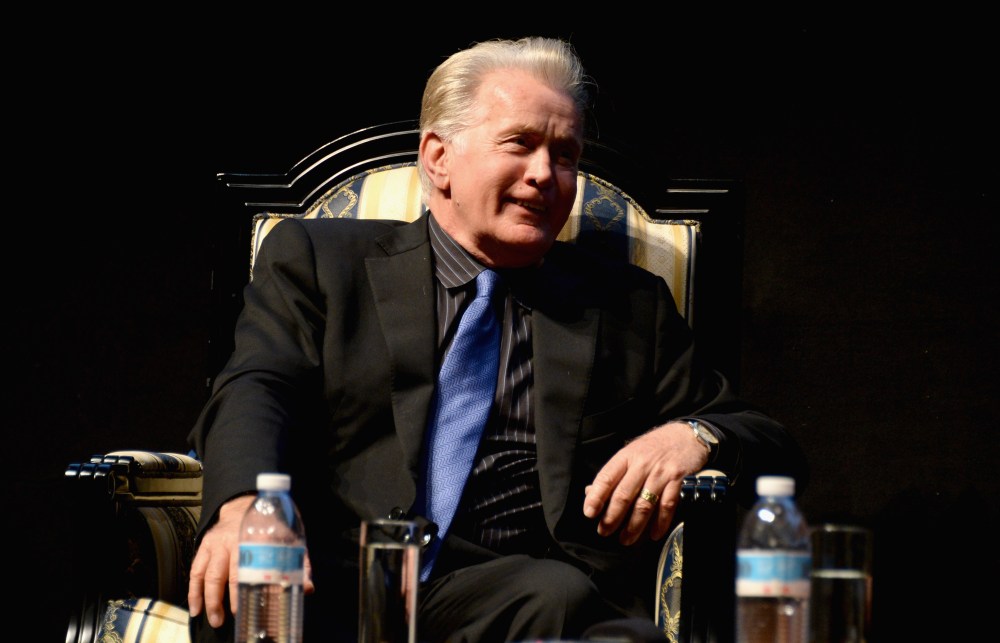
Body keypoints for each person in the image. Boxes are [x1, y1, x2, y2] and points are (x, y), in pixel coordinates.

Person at [186, 36, 807, 642]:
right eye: (520, 144)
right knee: (242, 585)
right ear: (438, 157)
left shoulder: (626, 306)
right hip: (336, 574)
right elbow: (257, 385)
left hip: (513, 595)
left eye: (565, 155)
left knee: (557, 597)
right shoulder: (322, 262)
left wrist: (693, 435)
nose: (545, 174)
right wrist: (243, 507)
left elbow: (765, 439)